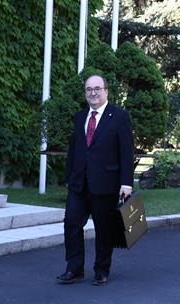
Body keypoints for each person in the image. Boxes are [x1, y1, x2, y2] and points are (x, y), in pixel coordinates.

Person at [57, 75, 134, 286]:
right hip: (79, 184)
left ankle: (101, 270)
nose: (93, 92)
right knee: (71, 224)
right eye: (89, 89)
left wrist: (126, 183)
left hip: (106, 184)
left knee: (104, 229)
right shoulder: (80, 116)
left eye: (97, 88)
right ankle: (74, 269)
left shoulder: (119, 116)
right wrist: (68, 177)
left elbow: (127, 153)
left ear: (106, 91)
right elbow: (75, 149)